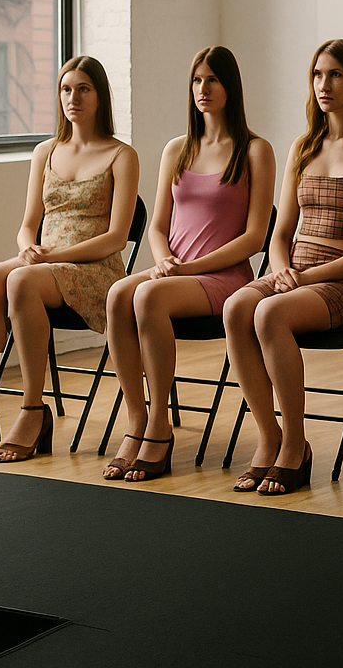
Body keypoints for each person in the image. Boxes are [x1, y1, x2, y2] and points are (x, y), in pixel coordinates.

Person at [223, 40, 343, 495]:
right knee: (235, 307)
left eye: (336, 74)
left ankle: (295, 446)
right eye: (318, 75)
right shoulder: (303, 147)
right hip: (295, 272)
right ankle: (269, 437)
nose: (324, 84)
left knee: (269, 313)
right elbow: (280, 232)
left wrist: (305, 278)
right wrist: (283, 269)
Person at [102, 47, 275, 482]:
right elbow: (158, 226)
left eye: (212, 79)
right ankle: (138, 421)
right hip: (175, 271)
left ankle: (159, 426)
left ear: (230, 86)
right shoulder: (177, 149)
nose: (203, 88)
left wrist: (187, 270)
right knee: (118, 293)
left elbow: (255, 238)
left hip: (223, 277)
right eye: (197, 80)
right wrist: (165, 261)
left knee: (147, 296)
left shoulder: (255, 151)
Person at [0, 56, 140, 465]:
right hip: (44, 263)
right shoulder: (45, 151)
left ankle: (32, 410)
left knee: (21, 282)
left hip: (96, 269)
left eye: (83, 89)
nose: (73, 98)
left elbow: (115, 239)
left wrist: (51, 257)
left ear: (100, 96)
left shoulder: (122, 155)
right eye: (66, 89)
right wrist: (28, 248)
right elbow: (28, 225)